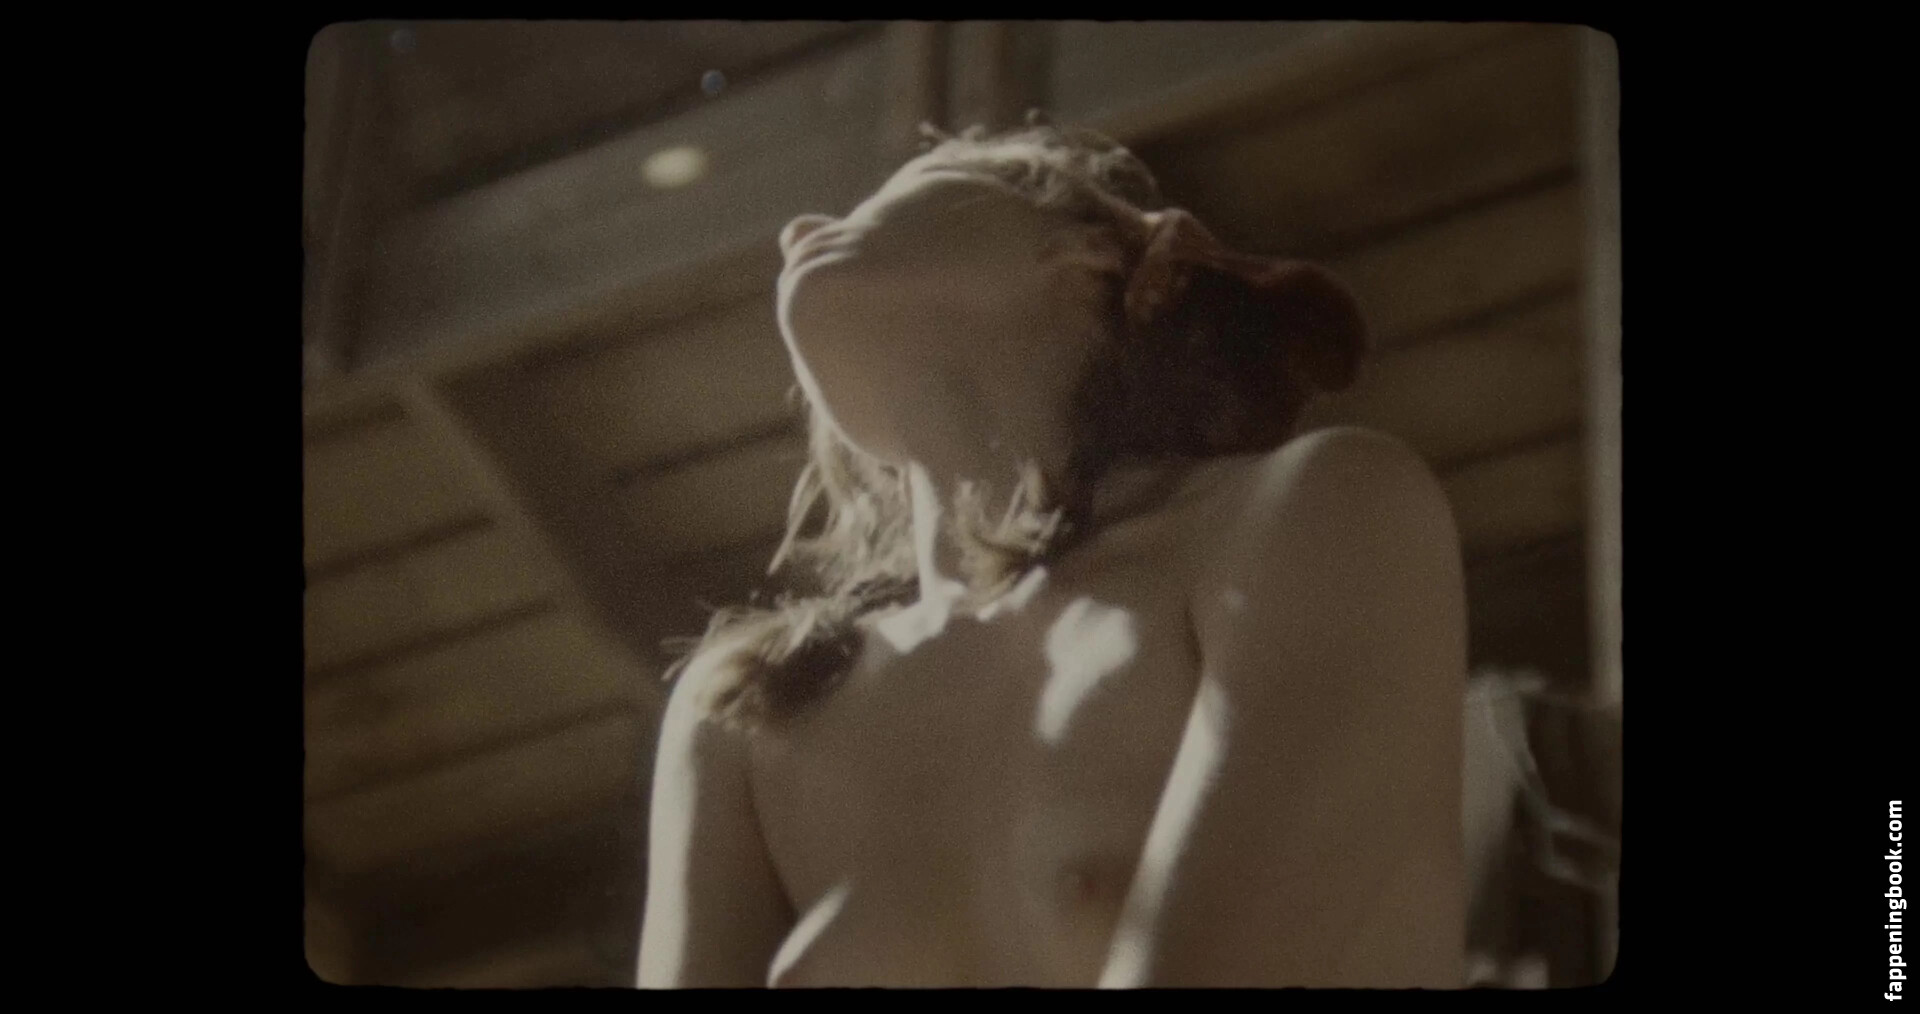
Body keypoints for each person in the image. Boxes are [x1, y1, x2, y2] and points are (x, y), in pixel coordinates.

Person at [636, 116, 1469, 988]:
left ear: (1089, 252)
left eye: (900, 191)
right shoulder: (749, 713)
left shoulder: (1313, 508)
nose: (795, 229)